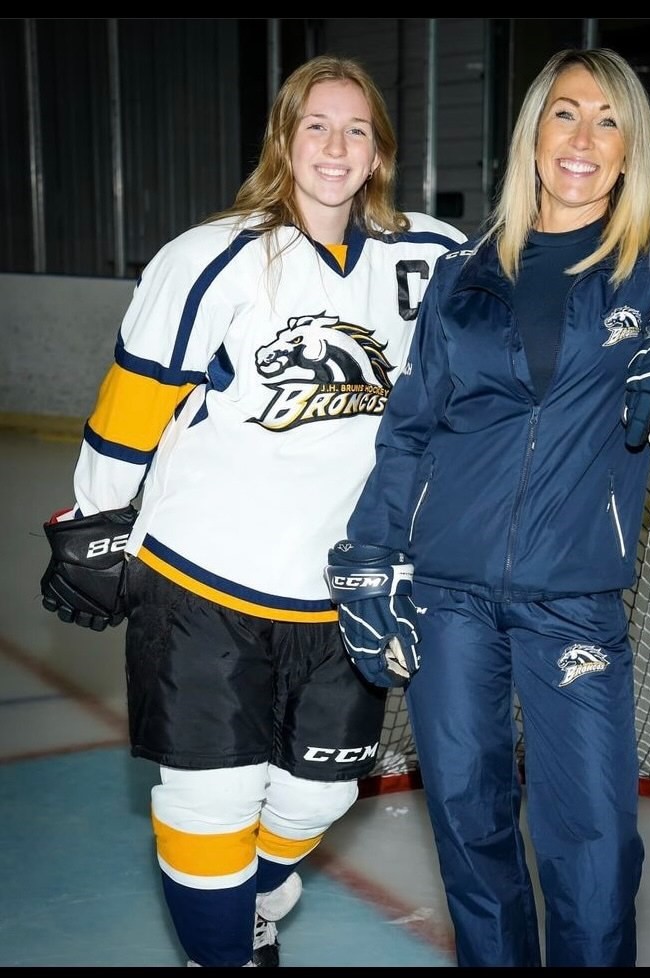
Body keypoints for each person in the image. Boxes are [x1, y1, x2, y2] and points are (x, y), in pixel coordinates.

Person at [324, 47, 650, 968]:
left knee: (593, 847)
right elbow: (411, 427)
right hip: (446, 596)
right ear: (533, 135)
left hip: (572, 601)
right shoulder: (466, 272)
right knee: (469, 825)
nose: (583, 138)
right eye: (564, 114)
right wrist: (370, 550)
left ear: (630, 150)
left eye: (607, 119)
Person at [38, 55, 465, 968]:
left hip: (344, 591)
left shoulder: (429, 255)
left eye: (357, 128)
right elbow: (135, 402)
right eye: (317, 125)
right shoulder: (211, 258)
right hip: (202, 585)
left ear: (381, 150)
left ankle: (252, 895)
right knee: (208, 808)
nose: (336, 146)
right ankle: (220, 951)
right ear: (284, 138)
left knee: (315, 804)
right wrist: (94, 519)